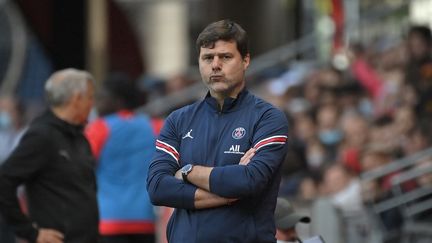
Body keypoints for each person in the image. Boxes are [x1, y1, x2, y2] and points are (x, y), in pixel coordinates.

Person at [147, 19, 289, 242]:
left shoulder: (268, 118)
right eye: (207, 58)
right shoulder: (178, 119)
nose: (215, 65)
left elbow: (249, 180)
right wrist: (225, 195)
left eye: (225, 57)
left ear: (245, 60)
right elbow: (157, 188)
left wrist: (185, 171)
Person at [0, 68, 99, 243]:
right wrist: (30, 231)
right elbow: (4, 180)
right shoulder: (42, 136)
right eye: (90, 97)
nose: (92, 104)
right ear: (76, 99)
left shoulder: (79, 137)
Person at [85, 73, 157, 243]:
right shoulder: (154, 126)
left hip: (108, 221)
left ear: (118, 101)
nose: (96, 104)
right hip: (145, 219)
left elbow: (81, 169)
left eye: (101, 98)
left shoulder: (99, 128)